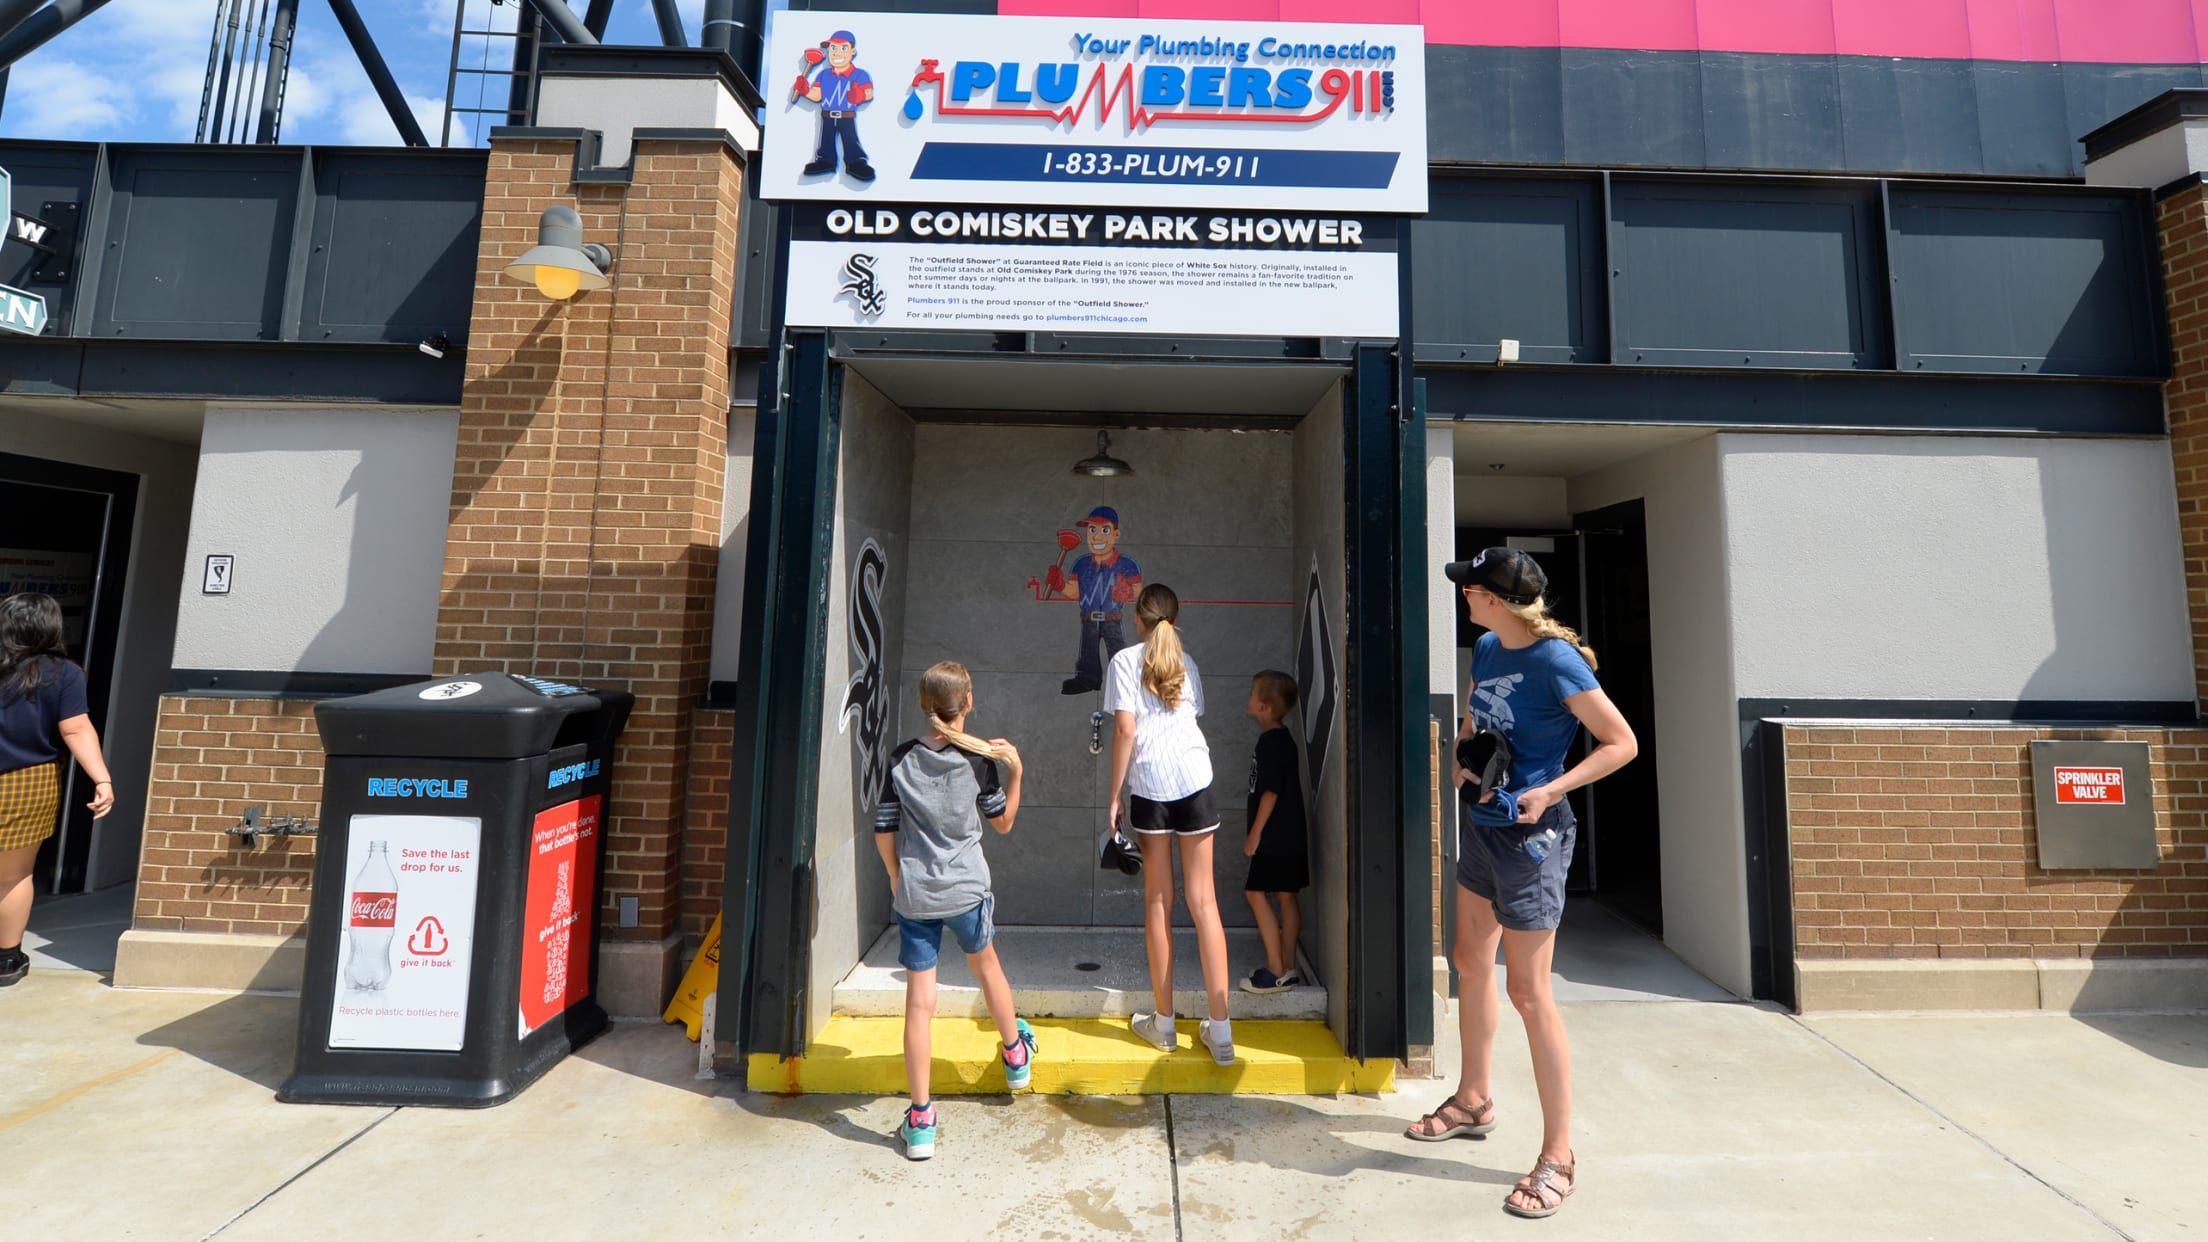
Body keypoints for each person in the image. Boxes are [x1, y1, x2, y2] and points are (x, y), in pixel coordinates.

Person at [1404, 549, 1637, 1220]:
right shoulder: (1486, 646)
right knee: (1471, 966)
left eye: (1469, 588)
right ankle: (1474, 1099)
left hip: (1533, 840)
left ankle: (1559, 1154)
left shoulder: (1556, 662)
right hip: (1482, 828)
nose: (1463, 595)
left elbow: (1620, 742)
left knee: (1530, 992)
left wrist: (1550, 790)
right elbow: (1479, 719)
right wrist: (1460, 752)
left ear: (1494, 599)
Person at [874, 661, 1037, 1160]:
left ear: (927, 705)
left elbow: (884, 830)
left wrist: (899, 879)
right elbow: (1004, 824)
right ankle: (1015, 1055)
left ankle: (921, 1120)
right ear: (967, 703)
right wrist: (1017, 773)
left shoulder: (901, 759)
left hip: (917, 893)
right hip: (967, 891)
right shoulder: (979, 761)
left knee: (919, 1005)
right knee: (987, 968)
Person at [1106, 583, 1235, 1066]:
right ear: (1175, 619)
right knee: (1205, 903)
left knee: (1159, 901)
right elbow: (1189, 716)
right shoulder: (1188, 662)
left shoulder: (1123, 661)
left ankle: (1163, 1025)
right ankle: (1220, 1034)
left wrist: (1114, 795)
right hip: (1195, 779)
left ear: (1137, 619)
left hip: (1151, 786)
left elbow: (1125, 730)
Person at [1, 593, 114, 988]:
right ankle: (6, 961)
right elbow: (76, 729)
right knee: (11, 877)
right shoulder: (62, 673)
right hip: (27, 781)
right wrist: (102, 778)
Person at [1239, 669, 1308, 994]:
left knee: (1255, 893)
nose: (1249, 698)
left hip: (1274, 839)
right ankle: (1288, 965)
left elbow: (1270, 792)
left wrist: (1255, 835)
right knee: (1286, 897)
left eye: (1253, 694)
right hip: (1291, 837)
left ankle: (1276, 969)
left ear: (1265, 707)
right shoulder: (1282, 739)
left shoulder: (1271, 743)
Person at [1056, 506, 1142, 695]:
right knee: (1087, 652)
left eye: (1104, 530)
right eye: (1092, 530)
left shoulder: (1127, 565)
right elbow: (1073, 592)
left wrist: (1125, 592)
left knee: (1117, 652)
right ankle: (1087, 679)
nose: (1097, 536)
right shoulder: (1081, 564)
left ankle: (1123, 683)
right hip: (1088, 618)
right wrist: (1058, 584)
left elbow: (1138, 592)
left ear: (1116, 534)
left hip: (1112, 617)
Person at [794, 30, 877, 181]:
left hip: (847, 115)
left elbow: (869, 93)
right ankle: (825, 162)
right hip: (827, 115)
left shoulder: (860, 74)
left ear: (852, 51)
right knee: (826, 140)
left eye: (843, 48)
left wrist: (860, 95)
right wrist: (804, 90)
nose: (837, 53)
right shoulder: (823, 75)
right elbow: (817, 95)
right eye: (833, 48)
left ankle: (856, 163)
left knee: (851, 140)